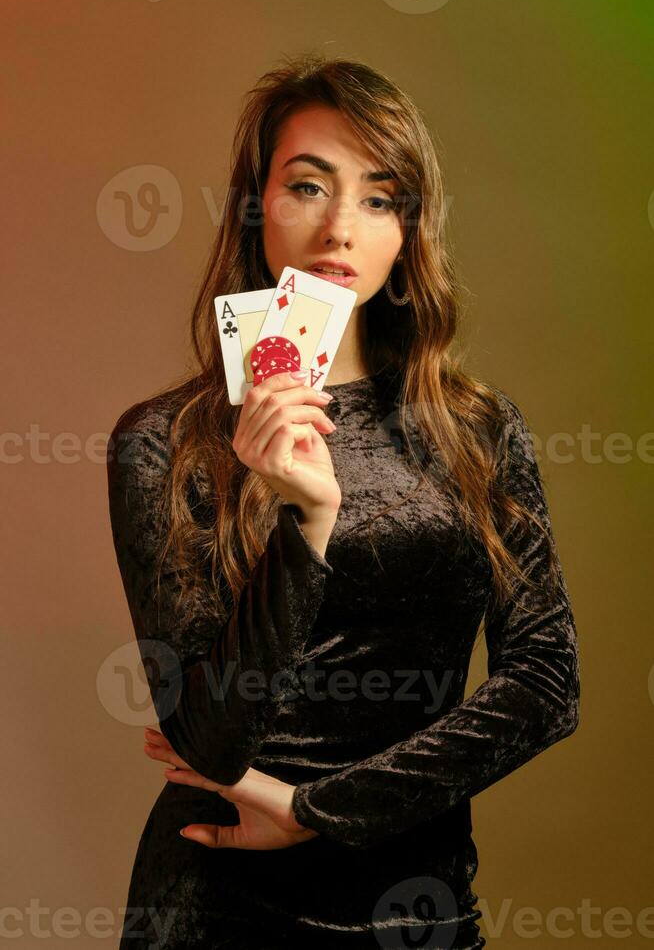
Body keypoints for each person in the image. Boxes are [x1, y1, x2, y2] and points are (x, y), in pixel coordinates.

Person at [106, 53, 581, 950]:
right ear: (257, 209)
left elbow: (546, 686)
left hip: (419, 904)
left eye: (379, 196)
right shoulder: (165, 443)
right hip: (217, 906)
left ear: (409, 231)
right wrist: (306, 524)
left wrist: (319, 810)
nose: (338, 226)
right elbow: (208, 739)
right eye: (307, 186)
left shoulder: (478, 430)